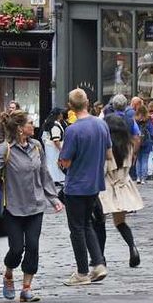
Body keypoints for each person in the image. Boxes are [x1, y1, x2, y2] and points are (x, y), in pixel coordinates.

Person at [0, 110, 62, 302]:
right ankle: (9, 273)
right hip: (13, 207)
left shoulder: (36, 147)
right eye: (29, 123)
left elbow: (44, 173)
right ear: (20, 129)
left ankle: (26, 288)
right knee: (17, 249)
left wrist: (54, 198)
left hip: (36, 206)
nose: (33, 126)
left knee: (33, 246)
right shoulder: (5, 149)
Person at [57, 89, 111, 286]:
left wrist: (62, 161)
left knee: (77, 229)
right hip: (94, 184)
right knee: (87, 223)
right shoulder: (101, 124)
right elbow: (109, 155)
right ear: (87, 102)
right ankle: (98, 263)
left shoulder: (72, 130)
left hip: (76, 185)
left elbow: (66, 162)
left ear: (70, 106)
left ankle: (82, 272)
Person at [99, 114, 143, 268]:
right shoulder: (129, 145)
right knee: (120, 222)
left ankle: (101, 258)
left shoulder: (104, 146)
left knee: (99, 223)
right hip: (123, 184)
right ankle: (132, 247)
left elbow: (103, 169)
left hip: (107, 186)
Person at [44, 107, 67, 190]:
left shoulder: (53, 123)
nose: (62, 115)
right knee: (54, 163)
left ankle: (55, 178)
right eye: (61, 113)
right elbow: (56, 139)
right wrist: (61, 149)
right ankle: (54, 179)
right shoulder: (55, 125)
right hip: (54, 148)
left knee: (52, 163)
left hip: (51, 147)